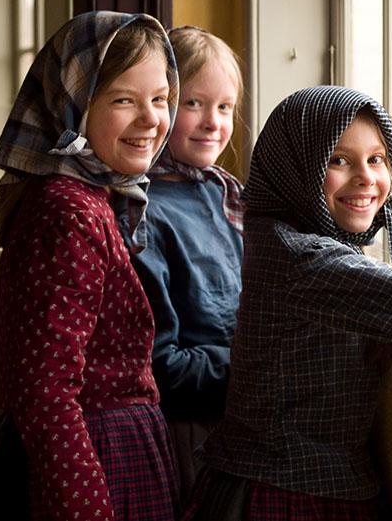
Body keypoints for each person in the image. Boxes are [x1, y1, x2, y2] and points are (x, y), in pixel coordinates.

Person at [180, 85, 392, 520]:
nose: (367, 177)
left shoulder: (302, 241)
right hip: (283, 492)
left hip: (297, 482)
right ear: (295, 168)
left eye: (377, 159)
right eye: (338, 160)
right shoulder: (303, 259)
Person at [0, 11, 180, 521]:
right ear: (73, 107)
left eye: (160, 98)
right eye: (124, 100)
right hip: (91, 466)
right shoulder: (69, 211)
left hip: (106, 452)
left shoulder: (89, 196)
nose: (152, 118)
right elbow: (45, 393)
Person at [116, 25, 245, 504]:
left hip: (246, 422)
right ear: (161, 107)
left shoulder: (231, 195)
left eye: (225, 107)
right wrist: (260, 366)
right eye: (193, 103)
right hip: (189, 436)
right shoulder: (140, 210)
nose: (213, 122)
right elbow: (158, 367)